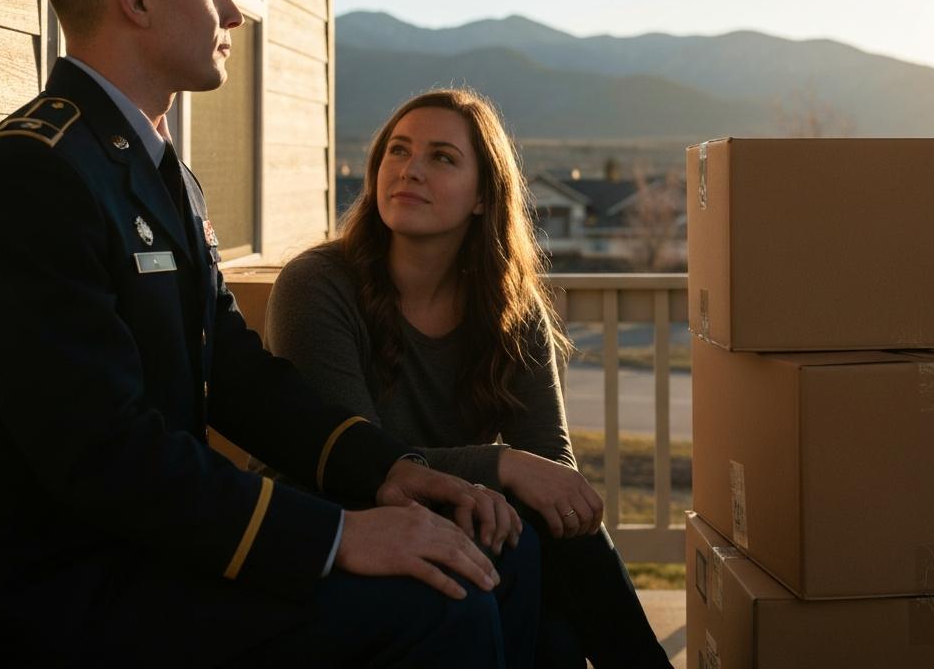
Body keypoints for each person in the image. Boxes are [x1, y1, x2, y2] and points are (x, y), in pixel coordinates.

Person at [0, 0, 539, 667]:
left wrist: (389, 474)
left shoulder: (157, 171)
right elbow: (102, 454)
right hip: (79, 580)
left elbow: (235, 374)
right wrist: (337, 532)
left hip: (160, 542)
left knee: (498, 551)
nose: (234, 13)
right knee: (441, 603)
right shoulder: (35, 173)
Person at [267, 88, 671, 668]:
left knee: (555, 597)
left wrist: (522, 478)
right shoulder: (318, 285)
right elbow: (355, 461)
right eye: (397, 152)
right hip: (337, 526)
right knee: (528, 567)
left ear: (483, 196)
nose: (410, 170)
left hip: (464, 522)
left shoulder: (508, 304)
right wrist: (500, 465)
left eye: (442, 157)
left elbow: (552, 470)